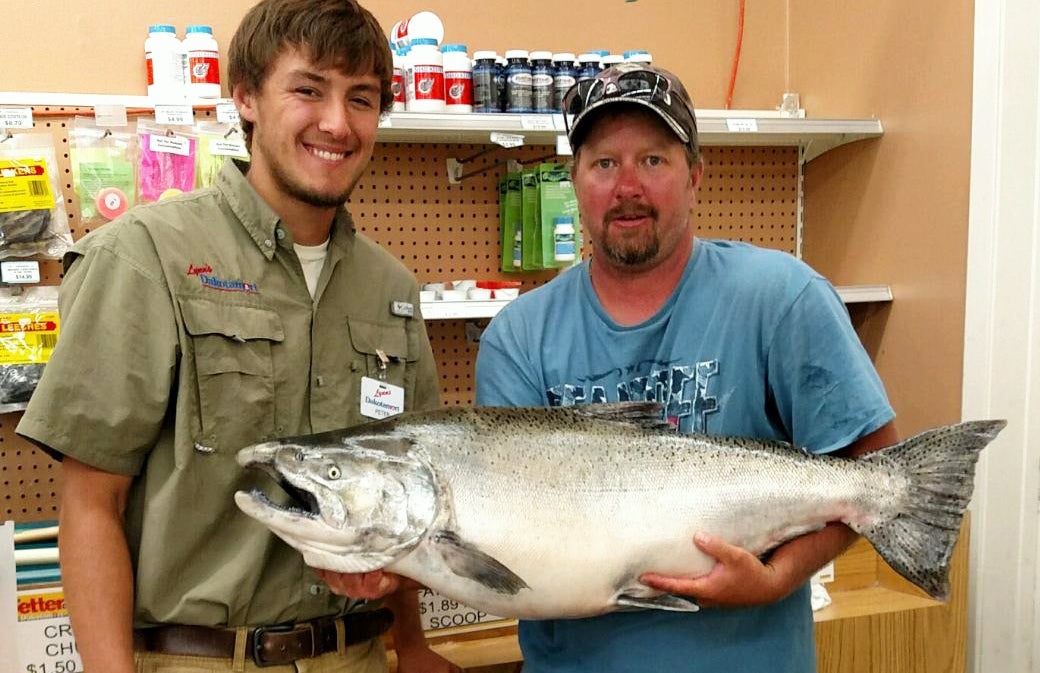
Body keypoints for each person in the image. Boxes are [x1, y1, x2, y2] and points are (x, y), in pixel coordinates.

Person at [16, 1, 459, 671]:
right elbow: (89, 504)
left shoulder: (390, 287)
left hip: (359, 655)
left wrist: (412, 641)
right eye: (308, 89)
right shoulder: (145, 258)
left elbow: (405, 489)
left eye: (361, 99)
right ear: (246, 96)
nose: (337, 123)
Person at [473, 63, 899, 672]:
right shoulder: (518, 337)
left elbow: (877, 477)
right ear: (574, 182)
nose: (627, 187)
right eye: (603, 164)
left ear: (695, 176)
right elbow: (508, 537)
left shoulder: (781, 298)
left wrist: (776, 579)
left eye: (653, 160)